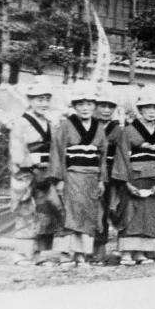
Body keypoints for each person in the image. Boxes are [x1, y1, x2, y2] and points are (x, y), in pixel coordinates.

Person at [48, 81, 109, 267]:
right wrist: (58, 179)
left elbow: (103, 155)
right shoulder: (66, 125)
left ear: (94, 106)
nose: (85, 108)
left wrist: (101, 180)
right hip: (72, 176)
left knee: (88, 214)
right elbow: (57, 151)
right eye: (80, 104)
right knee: (69, 213)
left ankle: (82, 254)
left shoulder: (98, 127)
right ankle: (66, 255)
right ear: (74, 106)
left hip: (91, 177)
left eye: (89, 104)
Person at [113, 85, 155, 265]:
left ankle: (141, 252)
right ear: (140, 110)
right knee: (131, 215)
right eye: (148, 108)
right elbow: (122, 156)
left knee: (150, 216)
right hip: (135, 178)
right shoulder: (129, 131)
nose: (152, 112)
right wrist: (127, 183)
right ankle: (126, 253)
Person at [7, 77, 62, 266]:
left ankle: (40, 254)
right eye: (39, 99)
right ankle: (22, 254)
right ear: (30, 100)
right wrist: (30, 168)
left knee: (46, 212)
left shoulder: (50, 123)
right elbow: (17, 150)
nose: (44, 103)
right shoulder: (21, 123)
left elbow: (54, 149)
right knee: (27, 212)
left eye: (47, 99)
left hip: (46, 173)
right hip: (27, 173)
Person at [92, 84, 122, 263]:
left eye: (110, 106)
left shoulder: (118, 129)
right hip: (91, 171)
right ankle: (90, 248)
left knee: (112, 209)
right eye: (102, 105)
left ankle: (105, 248)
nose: (106, 110)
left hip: (112, 173)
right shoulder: (89, 125)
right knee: (95, 211)